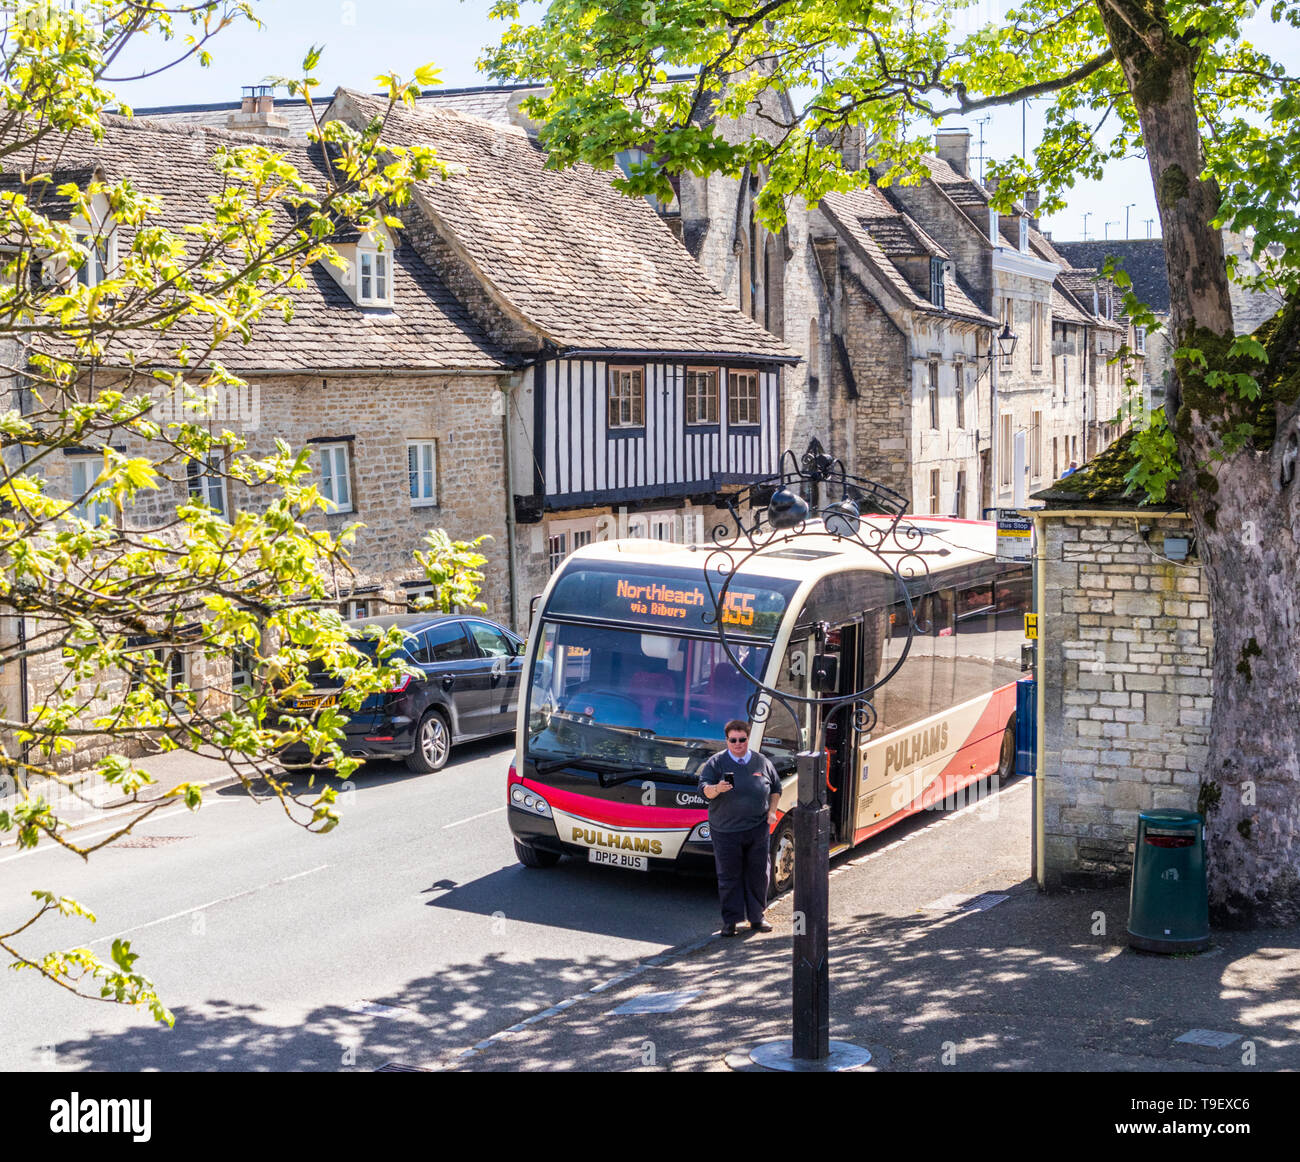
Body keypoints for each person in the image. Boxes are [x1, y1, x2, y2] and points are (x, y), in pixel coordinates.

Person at [697, 719, 782, 937]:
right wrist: (717, 788)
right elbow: (704, 790)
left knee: (759, 874)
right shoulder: (716, 763)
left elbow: (775, 788)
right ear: (726, 741)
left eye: (742, 740)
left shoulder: (761, 761)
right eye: (733, 740)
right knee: (729, 876)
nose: (737, 744)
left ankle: (757, 917)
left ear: (747, 738)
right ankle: (731, 922)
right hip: (725, 830)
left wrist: (772, 811)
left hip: (757, 828)